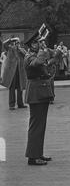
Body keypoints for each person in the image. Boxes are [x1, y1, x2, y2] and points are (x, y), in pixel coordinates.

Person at [24, 30, 58, 166]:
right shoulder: (29, 56)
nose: (41, 44)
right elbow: (37, 63)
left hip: (41, 93)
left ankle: (38, 153)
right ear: (32, 45)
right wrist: (43, 51)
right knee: (36, 126)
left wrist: (55, 53)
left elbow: (48, 61)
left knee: (40, 126)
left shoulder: (36, 54)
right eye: (39, 42)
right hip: (36, 94)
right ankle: (32, 157)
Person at [2, 37, 27, 110]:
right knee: (12, 88)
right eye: (16, 43)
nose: (17, 44)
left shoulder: (21, 50)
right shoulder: (10, 49)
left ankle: (20, 104)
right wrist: (11, 39)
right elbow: (4, 44)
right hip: (12, 72)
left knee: (20, 88)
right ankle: (11, 105)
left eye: (18, 43)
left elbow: (26, 55)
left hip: (20, 72)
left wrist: (19, 49)